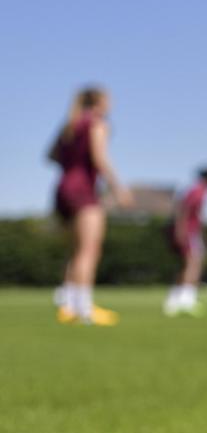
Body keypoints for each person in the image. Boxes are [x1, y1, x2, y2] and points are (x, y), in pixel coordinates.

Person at [48, 86, 132, 325]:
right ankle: (84, 308)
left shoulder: (69, 125)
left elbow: (51, 156)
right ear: (100, 103)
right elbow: (99, 157)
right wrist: (118, 188)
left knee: (75, 250)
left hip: (62, 187)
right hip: (83, 189)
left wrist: (71, 161)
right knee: (89, 249)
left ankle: (68, 305)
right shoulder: (97, 123)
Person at [163, 167, 207, 317]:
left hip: (192, 232)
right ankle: (186, 300)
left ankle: (174, 300)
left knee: (187, 265)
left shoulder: (198, 191)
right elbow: (184, 211)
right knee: (193, 264)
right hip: (189, 232)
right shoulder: (197, 191)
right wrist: (180, 231)